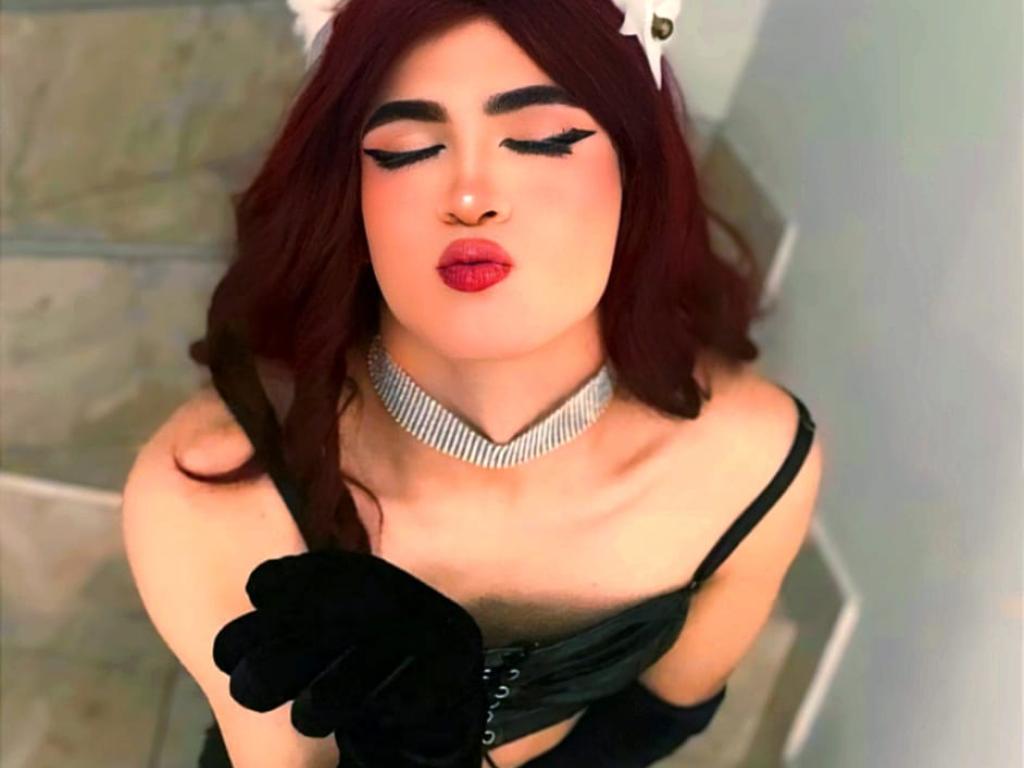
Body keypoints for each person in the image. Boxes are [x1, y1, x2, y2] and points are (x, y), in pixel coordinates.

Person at [120, 2, 824, 767]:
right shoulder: (214, 489)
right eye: (407, 149)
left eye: (544, 138)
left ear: (637, 171)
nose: (469, 196)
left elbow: (658, 719)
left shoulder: (753, 460)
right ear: (347, 190)